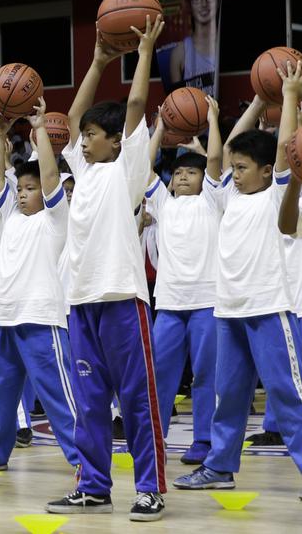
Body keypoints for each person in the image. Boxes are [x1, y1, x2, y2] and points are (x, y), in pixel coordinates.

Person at [47, 15, 167, 521]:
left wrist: (144, 53)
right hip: (81, 302)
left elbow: (136, 106)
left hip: (121, 300)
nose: (84, 140)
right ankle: (94, 487)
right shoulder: (84, 168)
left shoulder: (127, 169)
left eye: (94, 135)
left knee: (137, 401)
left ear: (117, 141)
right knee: (90, 402)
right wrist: (96, 62)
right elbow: (74, 117)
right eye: (85, 136)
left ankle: (150, 488)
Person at [173, 65, 302, 489]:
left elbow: (284, 147)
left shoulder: (278, 192)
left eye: (244, 167)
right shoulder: (227, 194)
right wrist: (260, 100)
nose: (237, 172)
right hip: (228, 309)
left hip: (269, 307)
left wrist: (289, 94)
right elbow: (226, 149)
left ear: (266, 171)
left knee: (288, 395)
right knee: (227, 396)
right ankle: (220, 467)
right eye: (236, 168)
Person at [0, 99, 80, 473]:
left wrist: (39, 128)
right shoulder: (7, 218)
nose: (23, 193)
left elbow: (50, 176)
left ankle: (85, 463)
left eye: (30, 188)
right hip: (4, 318)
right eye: (21, 188)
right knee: (0, 394)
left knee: (59, 397)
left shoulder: (55, 219)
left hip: (41, 318)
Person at [143, 101, 223, 466]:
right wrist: (159, 128)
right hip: (170, 305)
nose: (185, 177)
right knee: (160, 374)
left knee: (206, 376)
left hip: (207, 301)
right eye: (178, 173)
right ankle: (153, 438)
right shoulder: (163, 204)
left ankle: (204, 440)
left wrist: (211, 123)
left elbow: (216, 162)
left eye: (193, 172)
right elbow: (143, 168)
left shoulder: (212, 200)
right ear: (170, 181)